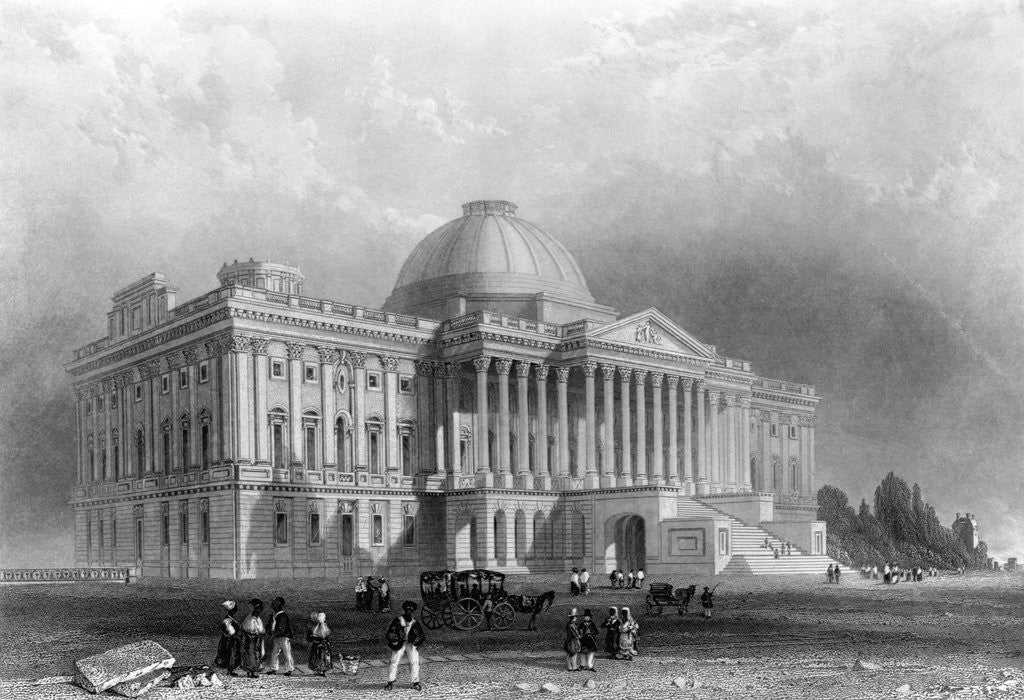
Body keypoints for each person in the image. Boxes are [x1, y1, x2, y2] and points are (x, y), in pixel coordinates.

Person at [385, 601, 425, 691]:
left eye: (410, 610)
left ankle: (415, 682)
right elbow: (391, 632)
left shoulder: (414, 622)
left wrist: (415, 642)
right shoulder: (398, 620)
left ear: (413, 611)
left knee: (415, 661)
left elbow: (421, 635)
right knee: (394, 661)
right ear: (404, 610)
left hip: (410, 643)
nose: (408, 611)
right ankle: (390, 682)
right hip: (399, 643)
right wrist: (394, 640)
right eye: (407, 609)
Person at [266, 596, 294, 676]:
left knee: (287, 653)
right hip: (276, 637)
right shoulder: (274, 614)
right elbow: (269, 624)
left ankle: (290, 669)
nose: (272, 604)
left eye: (274, 603)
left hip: (284, 637)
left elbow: (281, 629)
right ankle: (274, 669)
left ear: (279, 604)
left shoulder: (282, 616)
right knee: (274, 653)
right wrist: (268, 630)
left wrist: (272, 635)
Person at [214, 600, 242, 676]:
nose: (236, 610)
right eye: (235, 608)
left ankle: (230, 669)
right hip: (229, 640)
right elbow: (231, 632)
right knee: (231, 654)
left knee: (232, 654)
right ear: (232, 610)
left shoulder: (230, 619)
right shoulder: (228, 620)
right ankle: (230, 671)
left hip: (230, 639)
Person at [240, 598, 266, 678]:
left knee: (255, 655)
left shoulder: (257, 618)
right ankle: (250, 671)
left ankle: (252, 671)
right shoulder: (250, 619)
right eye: (259, 608)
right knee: (251, 655)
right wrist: (256, 635)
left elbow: (260, 630)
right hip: (250, 639)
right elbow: (249, 630)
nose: (260, 610)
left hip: (255, 639)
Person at [307, 612, 333, 676]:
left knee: (317, 657)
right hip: (325, 645)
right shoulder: (326, 628)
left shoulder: (312, 628)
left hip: (316, 645)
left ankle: (318, 670)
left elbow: (309, 638)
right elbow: (328, 636)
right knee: (324, 658)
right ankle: (323, 670)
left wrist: (312, 638)